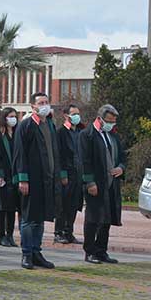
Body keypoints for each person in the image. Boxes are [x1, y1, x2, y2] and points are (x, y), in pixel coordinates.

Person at [12, 92, 62, 270]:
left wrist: (59, 174)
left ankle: (36, 252)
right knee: (28, 218)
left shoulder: (49, 125)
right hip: (30, 180)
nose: (45, 105)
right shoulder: (25, 126)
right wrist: (22, 178)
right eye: (41, 103)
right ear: (32, 107)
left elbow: (55, 152)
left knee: (40, 218)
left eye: (47, 102)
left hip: (47, 179)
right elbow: (19, 154)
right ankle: (26, 253)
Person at [80, 104, 126, 265]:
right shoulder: (87, 135)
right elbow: (84, 160)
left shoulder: (113, 136)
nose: (112, 124)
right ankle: (90, 251)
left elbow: (121, 156)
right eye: (109, 121)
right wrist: (89, 182)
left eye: (114, 121)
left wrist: (121, 168)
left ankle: (101, 251)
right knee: (93, 218)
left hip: (111, 183)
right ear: (100, 119)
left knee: (107, 219)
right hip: (95, 183)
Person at [55, 105, 85, 245]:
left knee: (74, 204)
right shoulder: (60, 133)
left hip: (78, 173)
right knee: (63, 205)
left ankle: (69, 232)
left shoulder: (80, 132)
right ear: (66, 116)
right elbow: (59, 155)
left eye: (78, 113)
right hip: (66, 174)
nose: (76, 116)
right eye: (73, 114)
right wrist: (62, 174)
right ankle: (59, 232)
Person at [0, 107, 19, 247]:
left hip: (14, 175)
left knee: (12, 208)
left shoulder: (17, 133)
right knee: (2, 207)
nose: (13, 119)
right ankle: (1, 236)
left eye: (15, 116)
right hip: (3, 175)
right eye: (10, 116)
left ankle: (10, 235)